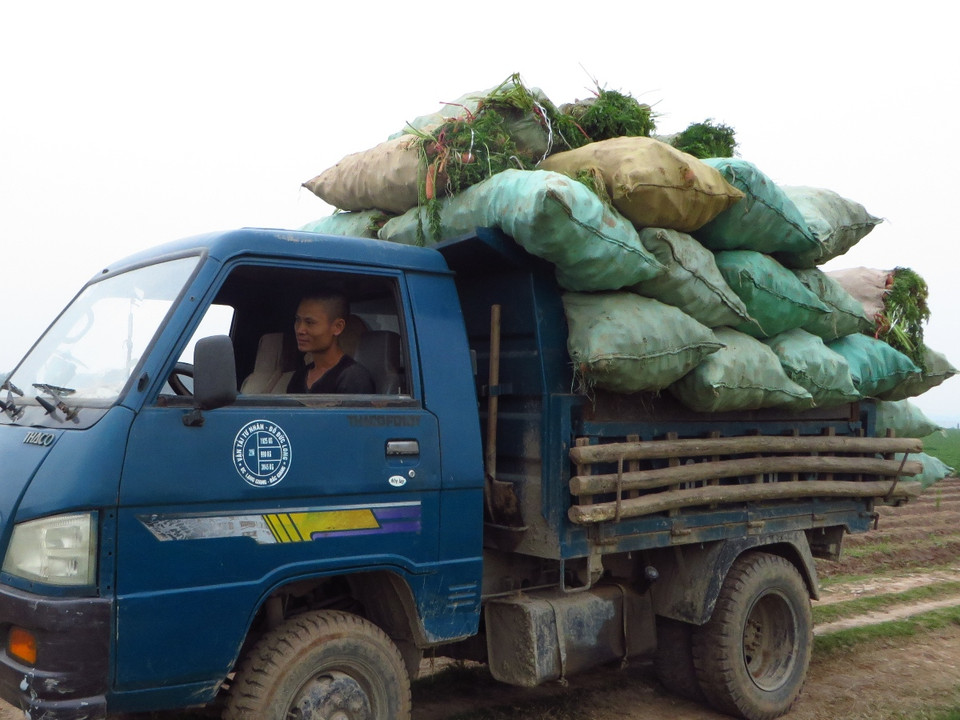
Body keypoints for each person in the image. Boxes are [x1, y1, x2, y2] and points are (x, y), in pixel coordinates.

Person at [286, 291, 376, 394]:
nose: (299, 330)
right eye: (297, 320)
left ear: (338, 327)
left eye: (310, 322)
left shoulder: (353, 378)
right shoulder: (299, 377)